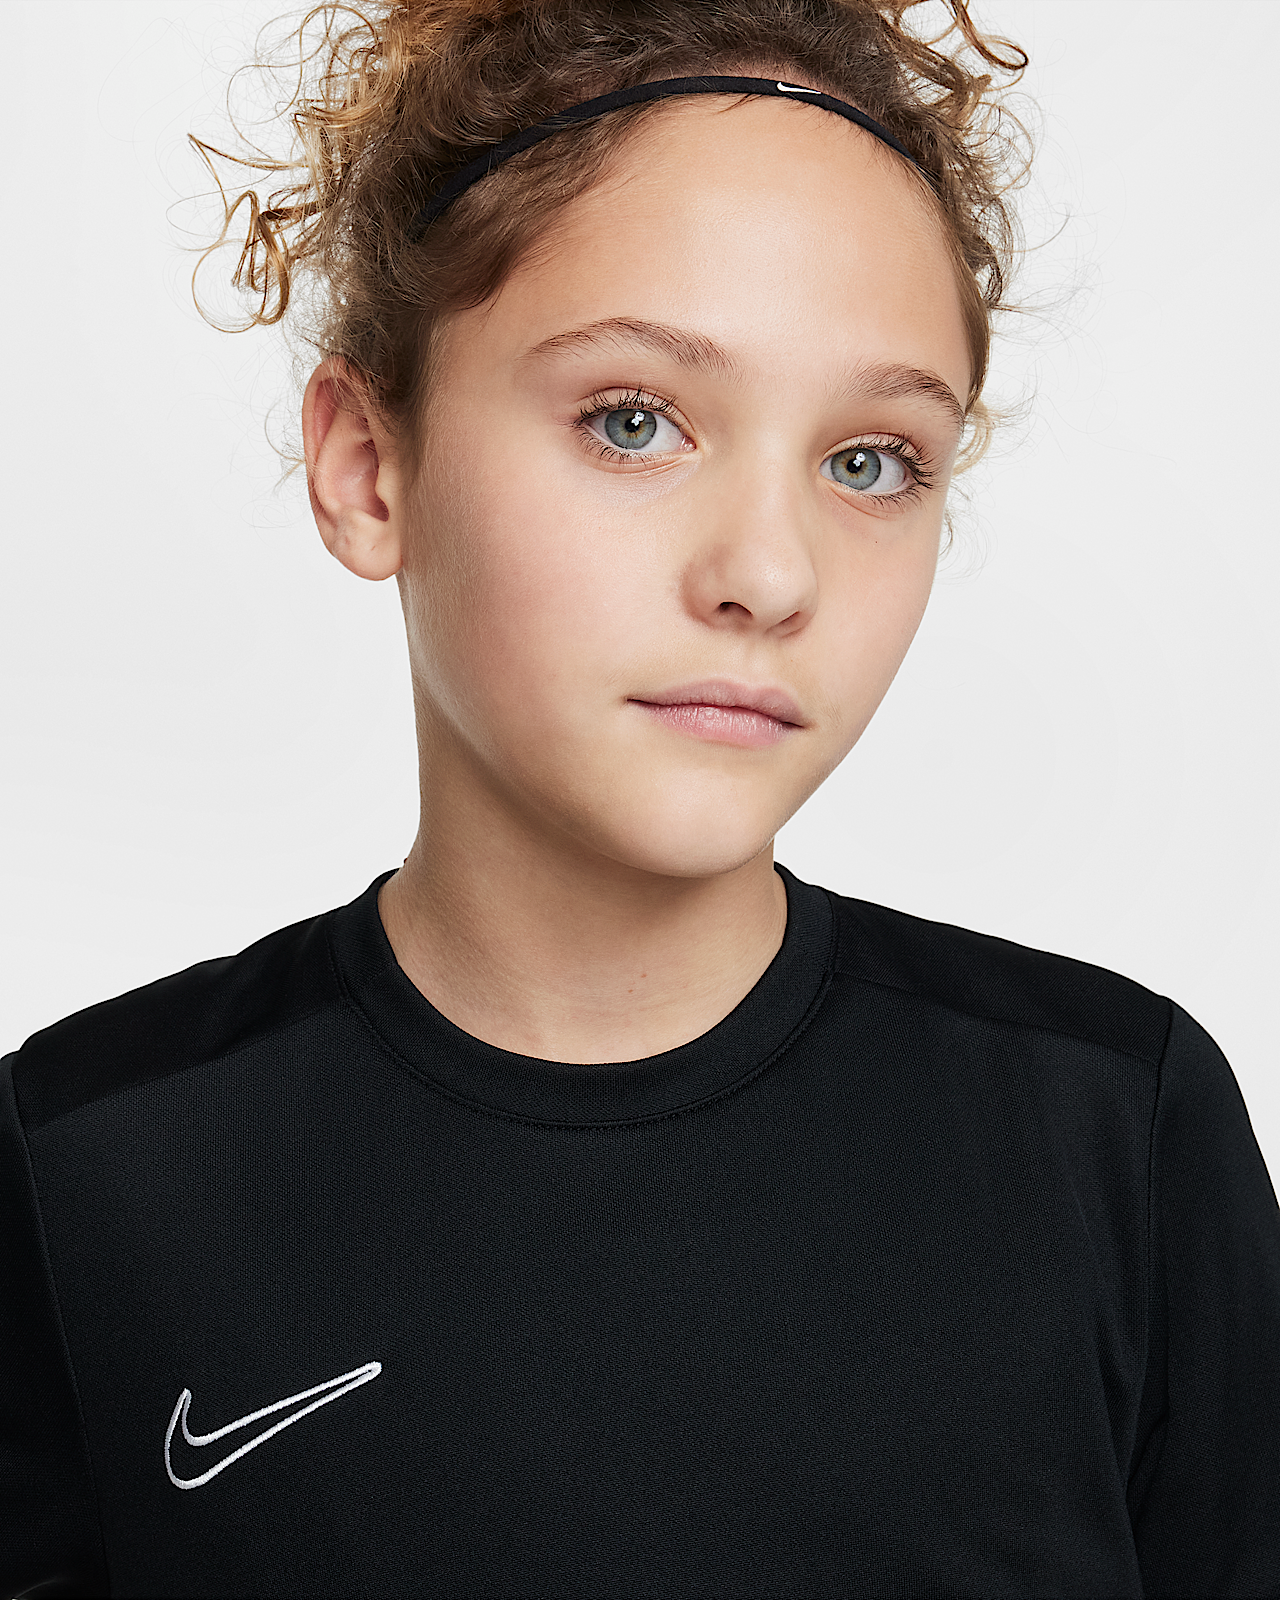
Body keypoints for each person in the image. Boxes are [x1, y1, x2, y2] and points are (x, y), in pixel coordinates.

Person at [3, 0, 1277, 1594]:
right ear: (368, 466)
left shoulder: (1114, 1133)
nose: (768, 573)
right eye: (633, 422)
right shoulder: (88, 1168)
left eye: (872, 460)